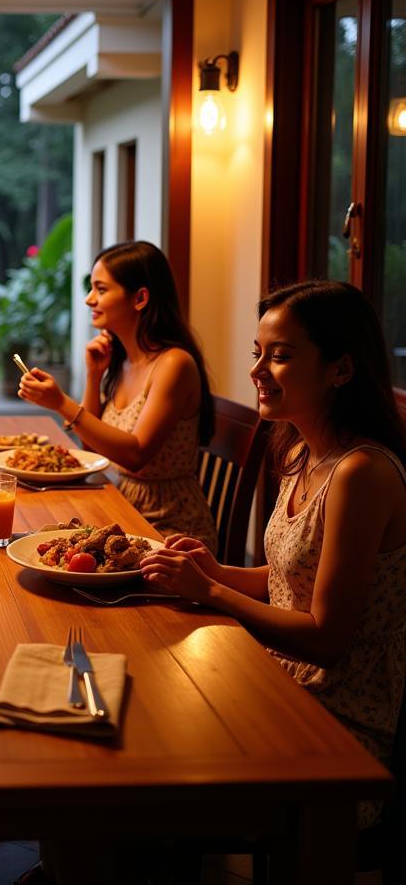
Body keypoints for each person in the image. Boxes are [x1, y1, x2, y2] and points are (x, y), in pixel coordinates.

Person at [139, 280, 406, 829]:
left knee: (135, 753)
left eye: (280, 356)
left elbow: (327, 640)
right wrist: (219, 572)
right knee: (123, 706)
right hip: (279, 681)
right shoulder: (304, 450)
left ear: (342, 369)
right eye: (257, 353)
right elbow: (290, 577)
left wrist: (210, 592)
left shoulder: (362, 473)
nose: (258, 370)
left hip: (337, 724)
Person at [18, 240, 218, 551]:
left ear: (139, 298)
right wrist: (94, 374)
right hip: (121, 509)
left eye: (100, 289)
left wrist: (60, 403)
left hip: (168, 528)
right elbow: (92, 445)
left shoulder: (174, 364)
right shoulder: (123, 361)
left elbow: (135, 456)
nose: (89, 300)